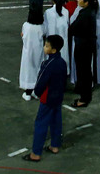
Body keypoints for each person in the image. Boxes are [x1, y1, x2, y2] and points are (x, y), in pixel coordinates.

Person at [22, 34, 68, 162]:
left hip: (47, 98)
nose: (44, 47)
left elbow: (41, 81)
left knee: (41, 123)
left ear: (53, 50)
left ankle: (36, 153)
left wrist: (36, 92)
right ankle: (55, 145)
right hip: (58, 97)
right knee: (56, 121)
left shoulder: (48, 64)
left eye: (47, 45)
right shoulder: (62, 62)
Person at [70, 0, 97, 107]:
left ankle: (84, 98)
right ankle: (85, 94)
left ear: (86, 2)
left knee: (83, 71)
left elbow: (73, 28)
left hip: (83, 46)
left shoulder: (84, 15)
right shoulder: (89, 12)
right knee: (85, 71)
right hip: (87, 45)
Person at [19, 8, 45, 100]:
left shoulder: (26, 25)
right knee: (38, 69)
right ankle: (36, 91)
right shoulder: (42, 26)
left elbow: (23, 36)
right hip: (39, 52)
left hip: (28, 52)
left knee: (28, 71)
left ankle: (27, 93)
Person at [43, 0, 70, 71]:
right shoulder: (66, 11)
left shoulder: (48, 12)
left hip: (51, 43)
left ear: (52, 0)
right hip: (63, 42)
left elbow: (45, 28)